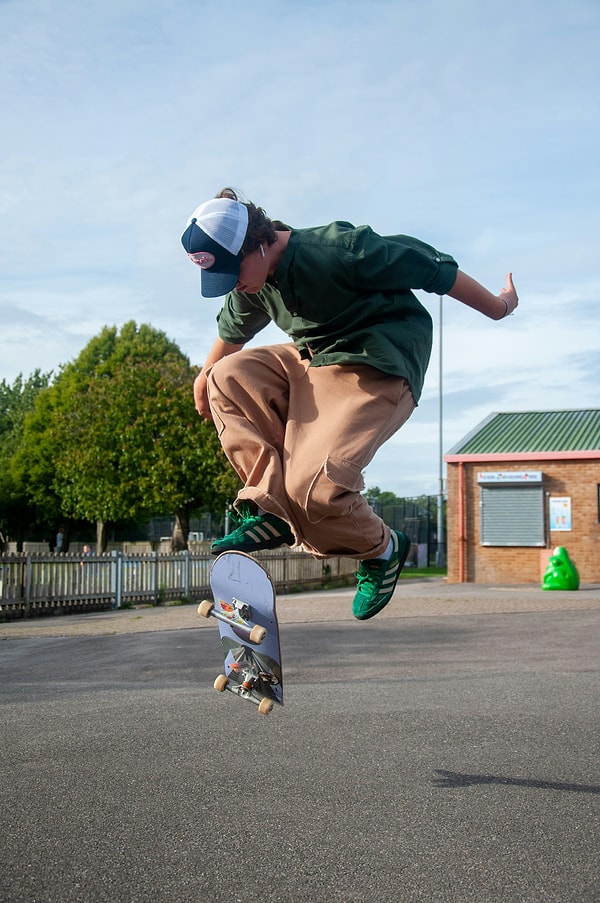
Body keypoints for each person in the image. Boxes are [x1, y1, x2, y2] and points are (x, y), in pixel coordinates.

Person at [181, 189, 518, 620]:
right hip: (314, 361)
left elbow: (433, 268)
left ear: (258, 242)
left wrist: (499, 306)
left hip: (376, 362)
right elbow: (231, 335)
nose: (236, 285)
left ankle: (383, 550)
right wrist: (204, 377)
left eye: (235, 271)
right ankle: (270, 509)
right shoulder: (252, 281)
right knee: (223, 376)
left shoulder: (339, 249)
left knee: (315, 491)